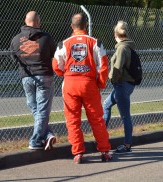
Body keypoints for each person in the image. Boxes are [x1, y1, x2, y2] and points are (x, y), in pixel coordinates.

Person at [52, 13, 112, 164]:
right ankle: (104, 151)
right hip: (89, 84)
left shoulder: (63, 44)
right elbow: (103, 66)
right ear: (86, 25)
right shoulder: (96, 42)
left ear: (72, 26)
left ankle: (78, 153)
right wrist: (100, 84)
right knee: (97, 119)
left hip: (70, 84)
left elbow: (56, 65)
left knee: (72, 120)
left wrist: (64, 74)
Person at [11, 11, 57, 150]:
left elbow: (14, 59)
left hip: (26, 77)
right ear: (38, 22)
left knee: (36, 108)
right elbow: (54, 55)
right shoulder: (46, 38)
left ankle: (47, 134)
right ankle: (36, 140)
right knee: (42, 109)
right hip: (44, 75)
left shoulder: (16, 39)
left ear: (26, 21)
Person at [103, 21, 136, 153]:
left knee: (125, 116)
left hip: (122, 85)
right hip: (126, 84)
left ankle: (127, 145)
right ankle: (102, 137)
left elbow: (117, 68)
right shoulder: (129, 46)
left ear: (116, 34)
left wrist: (112, 79)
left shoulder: (122, 48)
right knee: (106, 105)